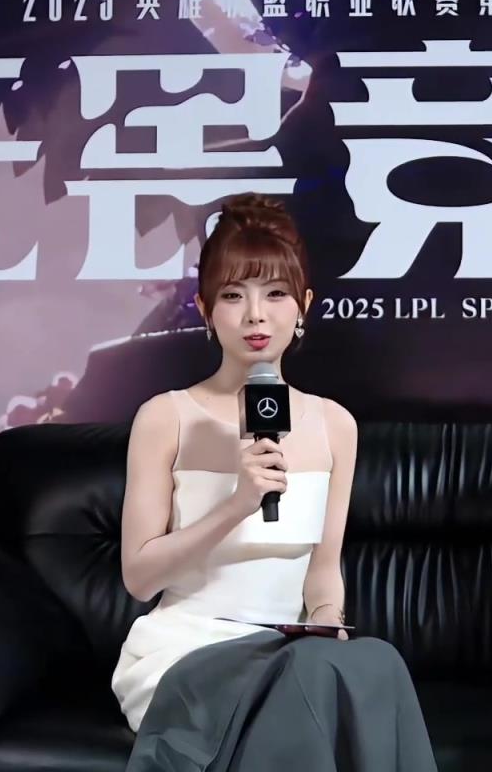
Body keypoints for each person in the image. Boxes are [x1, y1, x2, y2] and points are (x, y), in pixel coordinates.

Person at [111, 194, 437, 772]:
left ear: (303, 305)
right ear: (205, 309)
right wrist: (236, 504)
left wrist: (328, 621)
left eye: (276, 294)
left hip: (290, 652)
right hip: (186, 651)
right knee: (306, 685)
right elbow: (139, 578)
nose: (255, 316)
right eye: (233, 295)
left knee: (374, 663)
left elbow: (323, 573)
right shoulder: (166, 417)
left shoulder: (335, 425)